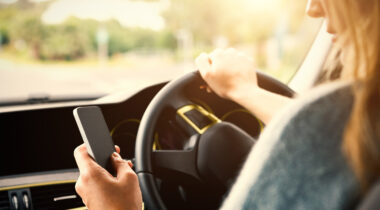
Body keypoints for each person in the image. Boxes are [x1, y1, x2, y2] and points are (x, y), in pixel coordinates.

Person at [73, 0, 380, 209]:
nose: (313, 8)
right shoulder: (352, 126)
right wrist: (242, 90)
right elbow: (344, 133)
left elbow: (326, 128)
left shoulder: (330, 120)